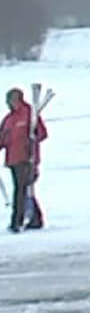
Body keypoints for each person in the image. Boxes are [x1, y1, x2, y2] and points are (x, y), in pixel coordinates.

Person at [1, 88, 47, 233]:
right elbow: (3, 138)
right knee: (25, 190)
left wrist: (33, 136)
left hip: (27, 159)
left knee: (21, 191)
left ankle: (17, 221)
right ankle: (36, 219)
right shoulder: (9, 119)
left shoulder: (30, 115)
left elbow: (42, 133)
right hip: (13, 160)